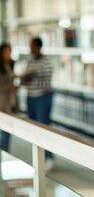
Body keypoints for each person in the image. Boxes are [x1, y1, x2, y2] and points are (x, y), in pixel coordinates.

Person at [21, 37, 54, 169]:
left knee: (43, 126)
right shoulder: (29, 60)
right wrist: (27, 78)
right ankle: (39, 157)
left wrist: (30, 78)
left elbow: (46, 80)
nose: (31, 49)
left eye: (33, 46)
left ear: (38, 47)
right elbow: (23, 79)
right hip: (31, 97)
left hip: (42, 97)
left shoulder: (45, 61)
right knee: (33, 127)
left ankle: (49, 157)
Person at [0, 43, 17, 152]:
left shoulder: (9, 65)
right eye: (6, 53)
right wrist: (10, 87)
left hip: (10, 102)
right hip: (2, 104)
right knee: (2, 135)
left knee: (8, 134)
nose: (8, 55)